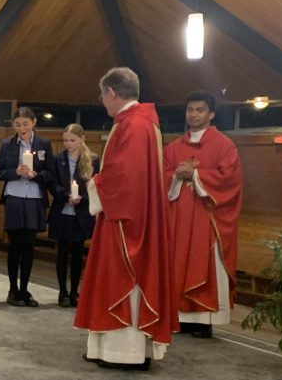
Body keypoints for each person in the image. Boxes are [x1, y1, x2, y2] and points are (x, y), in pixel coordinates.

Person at [75, 67, 175, 371]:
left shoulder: (133, 124)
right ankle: (112, 349)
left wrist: (95, 183)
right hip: (136, 215)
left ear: (112, 93)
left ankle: (124, 353)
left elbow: (124, 177)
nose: (103, 102)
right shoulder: (142, 122)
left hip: (126, 221)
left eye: (102, 96)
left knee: (121, 279)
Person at [165, 90, 243, 339]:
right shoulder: (174, 147)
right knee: (177, 263)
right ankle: (178, 316)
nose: (194, 114)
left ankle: (203, 321)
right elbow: (161, 175)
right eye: (190, 110)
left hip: (206, 219)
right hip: (179, 218)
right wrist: (175, 176)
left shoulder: (224, 145)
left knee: (204, 263)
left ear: (211, 114)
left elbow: (229, 180)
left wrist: (196, 175)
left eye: (200, 110)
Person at [0, 107, 55, 308]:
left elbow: (50, 173)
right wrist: (16, 172)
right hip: (14, 196)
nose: (22, 128)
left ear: (34, 122)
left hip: (34, 198)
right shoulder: (7, 144)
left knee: (29, 245)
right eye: (18, 124)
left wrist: (36, 175)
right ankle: (13, 289)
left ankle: (25, 289)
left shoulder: (44, 144)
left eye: (25, 124)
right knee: (15, 244)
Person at [50, 124, 100, 307]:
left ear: (82, 139)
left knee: (78, 255)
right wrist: (66, 196)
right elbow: (53, 183)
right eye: (65, 140)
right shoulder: (58, 159)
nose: (68, 144)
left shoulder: (92, 160)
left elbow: (96, 185)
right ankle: (62, 292)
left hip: (81, 213)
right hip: (63, 212)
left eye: (72, 140)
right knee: (62, 254)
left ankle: (74, 292)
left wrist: (82, 198)